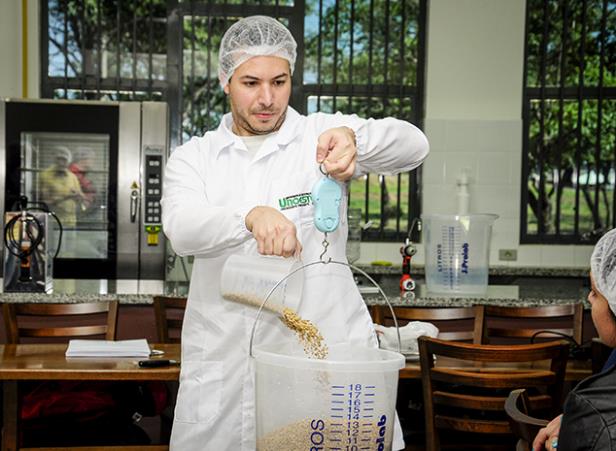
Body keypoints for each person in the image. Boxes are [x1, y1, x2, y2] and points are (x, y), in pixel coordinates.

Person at [161, 15, 429, 451]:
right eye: (250, 82)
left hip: (318, 359)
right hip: (226, 364)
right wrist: (248, 217)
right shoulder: (195, 157)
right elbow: (182, 228)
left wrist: (355, 142)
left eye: (279, 82)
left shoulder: (319, 136)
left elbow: (415, 144)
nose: (267, 98)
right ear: (225, 81)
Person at [533, 228, 616, 451]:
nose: (589, 298)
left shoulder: (592, 406)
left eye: (595, 292)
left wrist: (580, 427)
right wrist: (573, 422)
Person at [39, 146, 85, 228]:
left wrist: (79, 196)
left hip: (70, 222)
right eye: (58, 159)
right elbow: (44, 202)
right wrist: (66, 197)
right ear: (54, 160)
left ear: (68, 161)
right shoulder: (45, 176)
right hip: (53, 221)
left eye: (64, 160)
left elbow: (81, 199)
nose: (61, 162)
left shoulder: (72, 177)